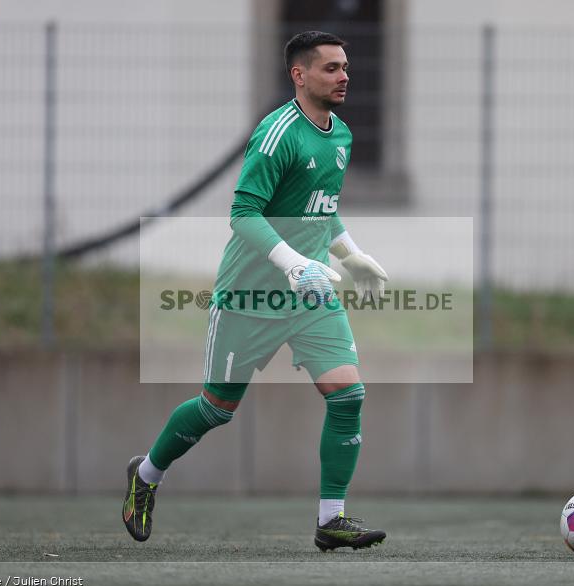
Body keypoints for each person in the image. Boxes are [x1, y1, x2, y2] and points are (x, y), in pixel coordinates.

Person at [123, 31, 389, 552]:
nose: (344, 76)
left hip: (310, 295)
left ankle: (331, 520)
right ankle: (147, 474)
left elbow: (320, 207)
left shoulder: (341, 136)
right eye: (331, 68)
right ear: (299, 75)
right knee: (216, 410)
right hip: (250, 294)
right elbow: (243, 214)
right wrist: (292, 265)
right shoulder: (276, 134)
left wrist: (351, 255)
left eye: (345, 66)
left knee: (348, 396)